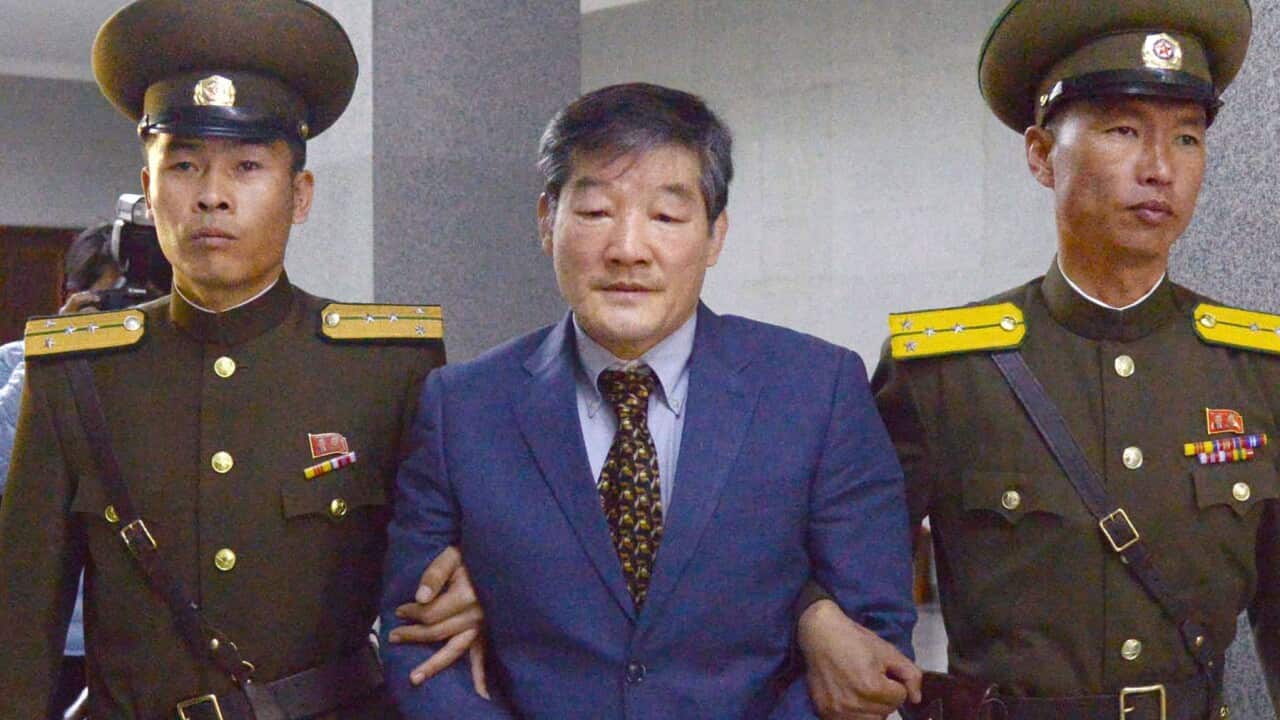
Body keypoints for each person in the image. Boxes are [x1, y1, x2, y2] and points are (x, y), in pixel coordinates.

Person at [378, 82, 920, 719]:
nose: (627, 249)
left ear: (715, 236)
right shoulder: (463, 407)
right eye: (596, 212)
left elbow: (873, 624)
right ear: (546, 221)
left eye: (666, 217)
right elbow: (414, 640)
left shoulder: (815, 390)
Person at [798, 1, 1279, 719]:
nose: (1159, 169)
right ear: (1041, 155)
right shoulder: (945, 374)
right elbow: (836, 568)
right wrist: (818, 620)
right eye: (1123, 130)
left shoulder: (1255, 368)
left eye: (1186, 138)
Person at [0, 1, 460, 717]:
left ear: (298, 193)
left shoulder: (389, 368)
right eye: (183, 165)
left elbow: (439, 600)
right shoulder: (76, 374)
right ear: (150, 192)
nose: (212, 196)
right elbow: (20, 629)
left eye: (247, 166)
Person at [0, 221, 139, 720]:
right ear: (69, 296)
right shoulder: (18, 366)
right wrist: (52, 355)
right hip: (47, 640)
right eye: (107, 302)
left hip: (137, 642)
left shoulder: (159, 373)